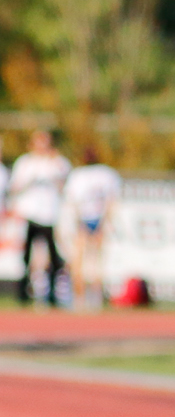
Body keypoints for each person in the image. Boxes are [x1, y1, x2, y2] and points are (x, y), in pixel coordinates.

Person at [10, 128, 74, 308]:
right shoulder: (25, 162)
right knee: (26, 256)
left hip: (50, 216)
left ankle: (52, 294)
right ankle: (24, 293)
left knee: (54, 257)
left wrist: (55, 166)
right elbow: (14, 187)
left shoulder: (58, 162)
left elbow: (66, 187)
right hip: (29, 214)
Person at [64, 148, 123, 311]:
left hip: (91, 219)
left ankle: (89, 299)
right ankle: (83, 299)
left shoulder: (82, 175)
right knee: (86, 262)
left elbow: (74, 202)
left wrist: (101, 224)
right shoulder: (103, 174)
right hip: (90, 220)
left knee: (90, 263)